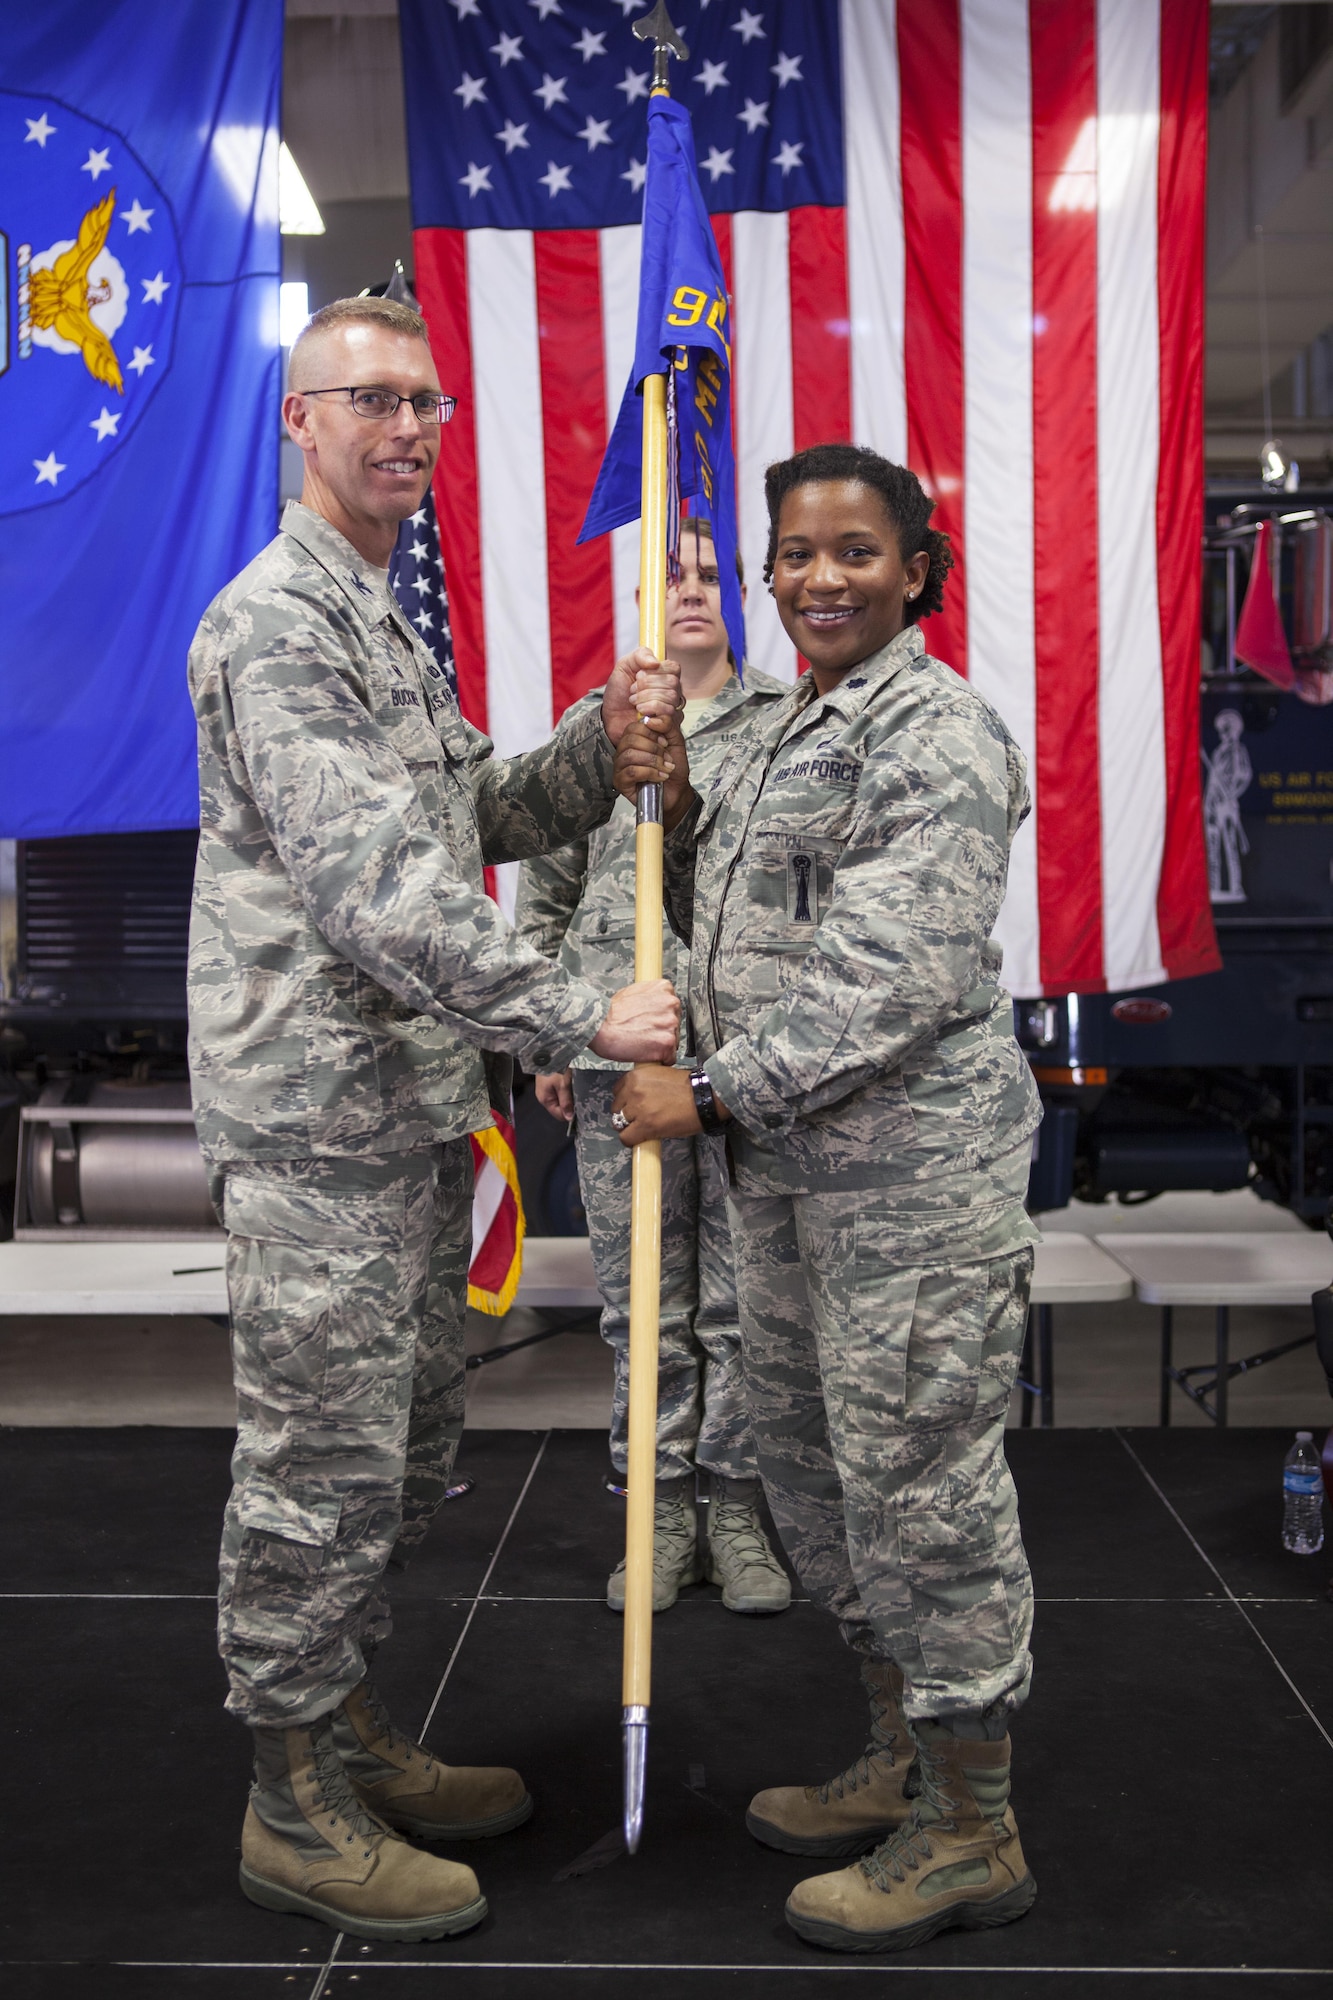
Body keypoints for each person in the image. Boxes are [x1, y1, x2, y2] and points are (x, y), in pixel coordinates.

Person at [187, 294, 682, 1945]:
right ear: (299, 423)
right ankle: (288, 1799)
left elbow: (464, 800)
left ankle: (336, 1725)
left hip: (396, 1111)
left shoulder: (378, 624)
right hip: (315, 1116)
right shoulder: (276, 624)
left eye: (427, 403)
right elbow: (377, 887)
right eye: (372, 400)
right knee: (317, 1464)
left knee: (397, 1456)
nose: (407, 429)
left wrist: (593, 754)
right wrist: (574, 1011)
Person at [612, 443, 1043, 1954]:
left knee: (924, 1495)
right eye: (796, 554)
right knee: (815, 1480)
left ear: (915, 571)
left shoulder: (934, 734)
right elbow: (718, 924)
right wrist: (664, 792)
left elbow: (889, 979)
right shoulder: (792, 726)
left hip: (908, 1195)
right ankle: (902, 1757)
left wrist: (711, 1093)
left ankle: (972, 1826)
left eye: (855, 553)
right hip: (791, 1192)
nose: (818, 579)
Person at [515, 519, 791, 1616]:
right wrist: (551, 1034)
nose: (689, 592)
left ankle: (735, 1502)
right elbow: (542, 893)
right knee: (644, 1301)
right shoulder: (599, 728)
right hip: (617, 1055)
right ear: (630, 595)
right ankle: (657, 1506)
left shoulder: (781, 726)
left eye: (708, 574)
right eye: (666, 576)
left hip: (743, 1059)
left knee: (743, 1299)